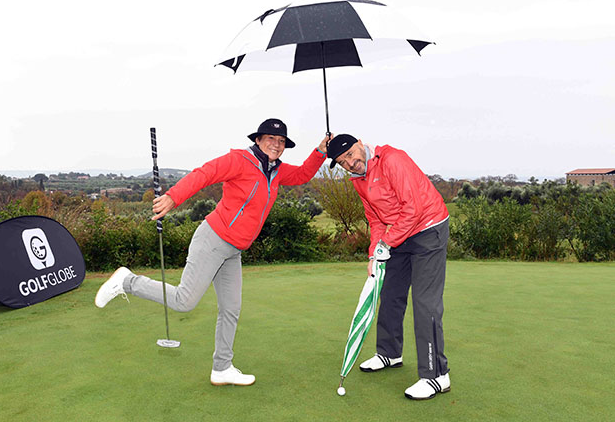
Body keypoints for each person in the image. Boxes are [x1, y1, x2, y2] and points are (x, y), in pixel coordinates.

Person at [95, 118, 330, 386]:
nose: (276, 145)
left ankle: (222, 368)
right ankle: (127, 281)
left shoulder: (276, 171)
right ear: (258, 140)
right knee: (184, 301)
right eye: (271, 139)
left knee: (231, 309)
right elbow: (204, 173)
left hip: (233, 251)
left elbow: (302, 175)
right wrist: (174, 197)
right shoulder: (239, 160)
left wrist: (321, 151)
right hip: (213, 239)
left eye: (281, 142)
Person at [326, 134, 450, 400]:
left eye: (350, 155)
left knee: (425, 302)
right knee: (390, 293)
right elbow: (376, 219)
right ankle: (389, 353)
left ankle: (437, 375)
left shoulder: (393, 159)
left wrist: (387, 243)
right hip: (400, 233)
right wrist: (375, 254)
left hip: (429, 228)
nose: (350, 163)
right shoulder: (359, 180)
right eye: (342, 161)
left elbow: (413, 209)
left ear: (361, 143)